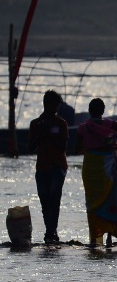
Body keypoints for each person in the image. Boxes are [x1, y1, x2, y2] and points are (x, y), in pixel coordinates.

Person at [75, 98, 117, 247]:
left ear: (89, 110)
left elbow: (76, 149)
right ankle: (110, 238)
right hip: (107, 167)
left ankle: (94, 239)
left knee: (92, 203)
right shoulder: (109, 124)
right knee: (110, 199)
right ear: (103, 110)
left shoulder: (83, 128)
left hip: (90, 168)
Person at [28, 90, 68, 244]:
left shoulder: (61, 124)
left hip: (58, 166)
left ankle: (51, 232)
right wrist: (40, 134)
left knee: (54, 197)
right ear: (47, 104)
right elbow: (31, 148)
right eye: (55, 105)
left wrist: (49, 135)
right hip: (42, 167)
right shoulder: (35, 124)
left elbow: (62, 148)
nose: (56, 109)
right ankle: (50, 231)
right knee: (44, 200)